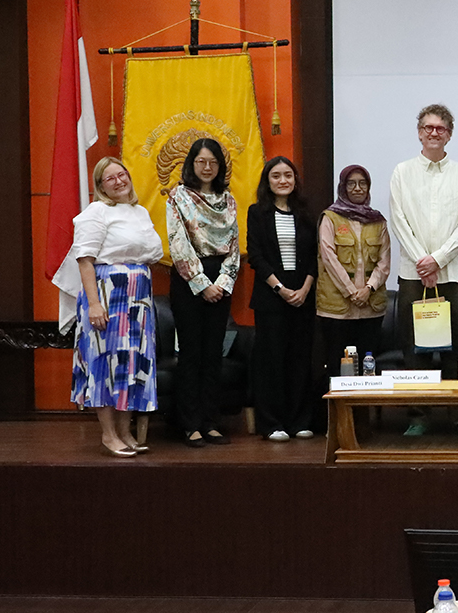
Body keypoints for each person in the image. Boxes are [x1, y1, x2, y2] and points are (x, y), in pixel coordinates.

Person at [60, 157, 164, 457]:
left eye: (122, 174)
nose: (119, 181)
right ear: (100, 186)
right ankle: (108, 434)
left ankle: (125, 431)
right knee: (104, 364)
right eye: (110, 178)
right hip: (107, 296)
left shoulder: (140, 212)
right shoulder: (95, 212)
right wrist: (94, 304)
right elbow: (85, 260)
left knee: (130, 364)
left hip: (137, 300)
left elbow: (151, 254)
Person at [389, 104, 458, 435]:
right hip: (414, 275)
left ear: (449, 135)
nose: (434, 133)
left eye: (440, 128)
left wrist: (437, 260)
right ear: (419, 133)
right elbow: (399, 221)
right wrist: (422, 262)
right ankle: (418, 416)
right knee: (416, 349)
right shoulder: (402, 172)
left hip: (453, 275)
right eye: (428, 127)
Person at [166, 138, 240, 448]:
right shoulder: (178, 196)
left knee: (213, 354)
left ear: (220, 166)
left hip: (220, 280)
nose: (207, 167)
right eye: (201, 162)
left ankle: (211, 421)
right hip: (189, 281)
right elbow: (178, 244)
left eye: (213, 162)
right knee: (191, 354)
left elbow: (234, 246)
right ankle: (190, 424)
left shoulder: (228, 199)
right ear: (192, 164)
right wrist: (201, 283)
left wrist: (222, 283)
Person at [247, 156, 317, 442]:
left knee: (300, 360)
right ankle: (272, 423)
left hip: (303, 296)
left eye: (288, 175)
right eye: (276, 176)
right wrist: (280, 288)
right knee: (271, 361)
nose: (283, 180)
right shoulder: (257, 212)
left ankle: (300, 420)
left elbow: (314, 257)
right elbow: (256, 256)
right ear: (267, 181)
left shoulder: (305, 213)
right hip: (271, 298)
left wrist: (305, 289)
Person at [316, 165, 390, 386]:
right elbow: (328, 258)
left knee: (368, 369)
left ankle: (364, 409)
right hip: (337, 308)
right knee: (337, 367)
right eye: (351, 183)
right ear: (343, 187)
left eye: (362, 183)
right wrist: (351, 291)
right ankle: (338, 409)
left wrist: (368, 288)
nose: (357, 188)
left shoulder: (378, 220)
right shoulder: (330, 217)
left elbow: (384, 261)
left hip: (371, 307)